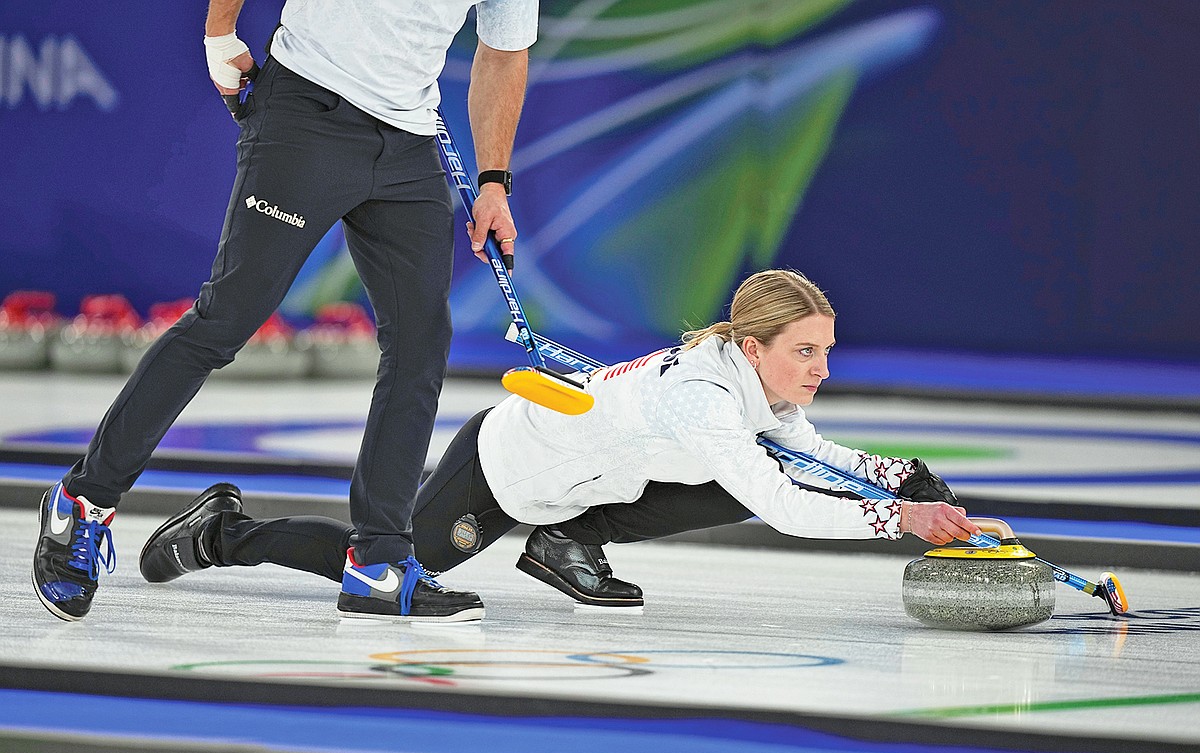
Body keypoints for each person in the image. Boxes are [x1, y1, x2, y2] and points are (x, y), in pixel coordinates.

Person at [32, 0, 539, 623]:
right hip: (307, 110)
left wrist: (494, 181)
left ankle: (378, 560)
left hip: (408, 141)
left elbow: (503, 50)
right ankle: (80, 504)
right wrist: (220, 34)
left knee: (421, 344)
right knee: (225, 322)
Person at [136, 270, 982, 614]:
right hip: (504, 471)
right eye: (808, 351)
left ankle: (568, 542)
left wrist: (899, 476)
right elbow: (787, 507)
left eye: (827, 351)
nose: (820, 368)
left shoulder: (748, 380)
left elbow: (811, 452)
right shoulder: (703, 399)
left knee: (748, 471)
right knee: (389, 574)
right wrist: (898, 521)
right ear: (756, 348)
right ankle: (222, 532)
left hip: (574, 486)